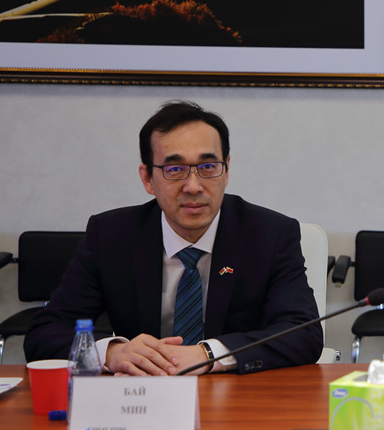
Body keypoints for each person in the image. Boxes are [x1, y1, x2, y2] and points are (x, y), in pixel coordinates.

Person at [25, 101, 322, 375]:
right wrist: (111, 352)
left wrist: (209, 354)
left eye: (208, 167)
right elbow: (45, 333)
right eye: (175, 169)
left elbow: (304, 332)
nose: (193, 186)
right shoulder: (111, 236)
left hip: (236, 396)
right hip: (141, 395)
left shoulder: (269, 234)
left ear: (226, 170)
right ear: (147, 178)